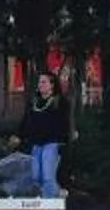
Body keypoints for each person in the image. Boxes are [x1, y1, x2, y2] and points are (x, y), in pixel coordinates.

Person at [18, 68, 72, 200]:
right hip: (36, 143)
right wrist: (19, 135)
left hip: (52, 143)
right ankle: (57, 193)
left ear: (52, 85)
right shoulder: (34, 102)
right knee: (36, 176)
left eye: (44, 82)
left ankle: (49, 206)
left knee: (47, 175)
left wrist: (65, 140)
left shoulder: (60, 102)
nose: (40, 85)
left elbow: (65, 123)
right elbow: (26, 121)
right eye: (39, 82)